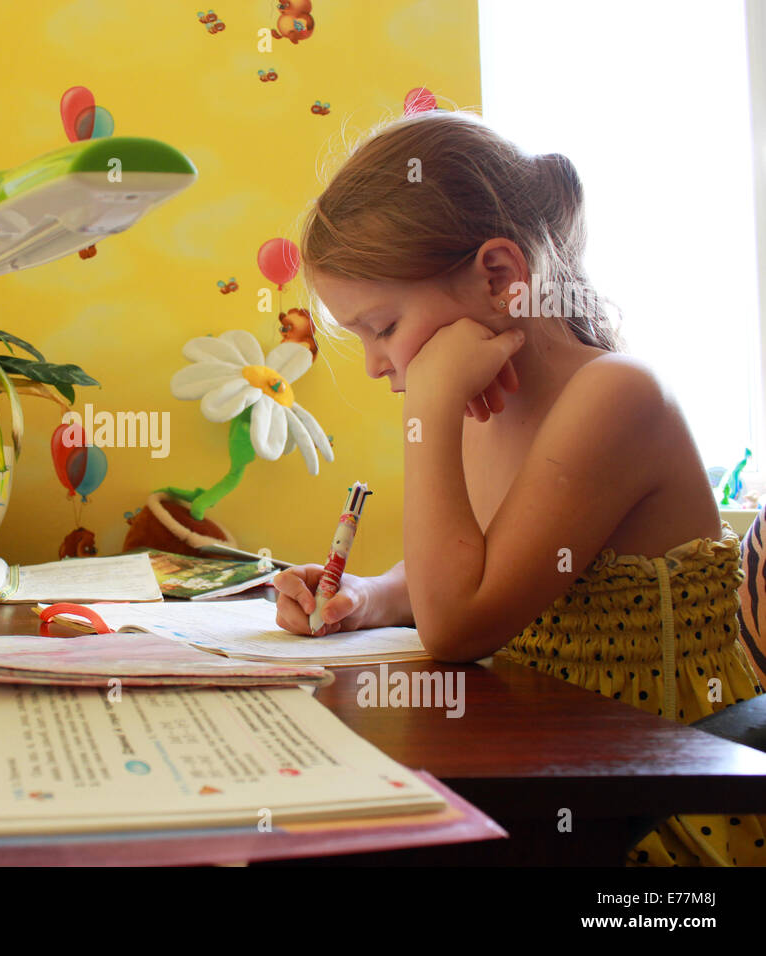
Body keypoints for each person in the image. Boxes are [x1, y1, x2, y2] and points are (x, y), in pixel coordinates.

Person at [274, 110, 764, 866]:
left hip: (658, 810)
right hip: (547, 771)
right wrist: (364, 598)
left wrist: (431, 412)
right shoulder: (486, 406)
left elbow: (458, 624)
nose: (376, 365)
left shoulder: (616, 398)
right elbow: (471, 573)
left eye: (382, 325)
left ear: (500, 278)